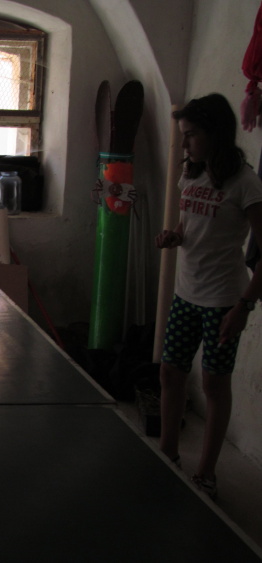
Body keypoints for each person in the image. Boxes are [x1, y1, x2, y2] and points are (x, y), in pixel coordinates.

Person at [155, 93, 262, 500]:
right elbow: (189, 226)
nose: (184, 144)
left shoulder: (245, 183)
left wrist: (244, 306)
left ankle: (206, 473)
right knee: (170, 373)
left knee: (214, 385)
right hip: (186, 294)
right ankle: (167, 453)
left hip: (223, 301)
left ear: (215, 133)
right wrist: (174, 237)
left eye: (191, 135)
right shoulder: (191, 174)